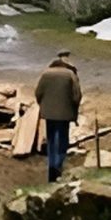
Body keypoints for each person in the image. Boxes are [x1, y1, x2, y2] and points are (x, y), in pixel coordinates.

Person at [36, 50, 83, 181]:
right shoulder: (70, 74)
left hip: (49, 112)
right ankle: (58, 166)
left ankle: (51, 166)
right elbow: (77, 95)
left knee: (51, 139)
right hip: (65, 112)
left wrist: (44, 106)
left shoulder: (45, 73)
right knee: (62, 139)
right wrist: (74, 109)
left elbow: (38, 93)